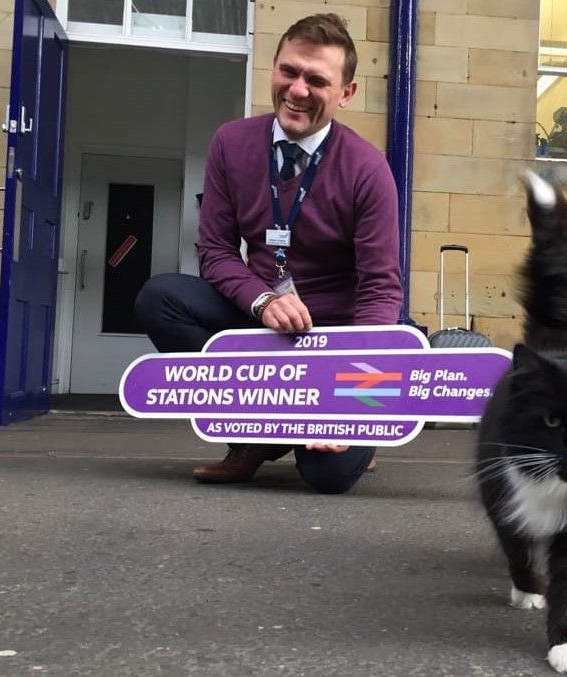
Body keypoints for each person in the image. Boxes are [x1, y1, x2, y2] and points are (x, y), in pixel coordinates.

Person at [134, 13, 402, 494]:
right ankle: (260, 427)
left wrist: (353, 406)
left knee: (329, 477)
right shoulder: (230, 143)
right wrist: (261, 301)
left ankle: (282, 432)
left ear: (346, 93)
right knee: (160, 298)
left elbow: (381, 288)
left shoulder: (368, 169)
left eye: (316, 80)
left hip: (334, 342)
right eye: (288, 71)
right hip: (256, 320)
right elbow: (215, 249)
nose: (297, 90)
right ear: (274, 67)